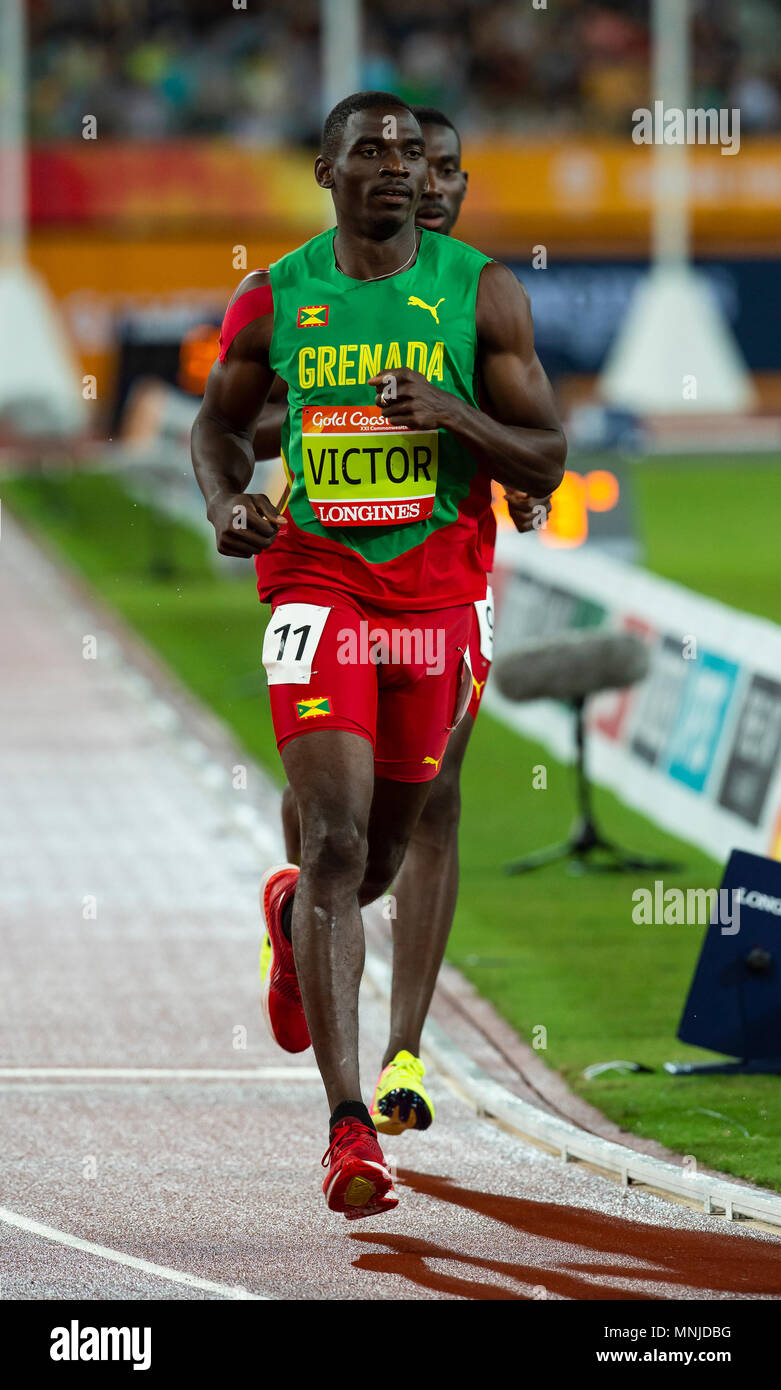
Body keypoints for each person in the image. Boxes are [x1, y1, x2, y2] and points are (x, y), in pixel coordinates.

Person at [191, 91, 566, 1220]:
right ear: (326, 170)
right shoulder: (275, 296)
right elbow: (217, 423)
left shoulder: (481, 291)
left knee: (387, 858)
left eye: (411, 149)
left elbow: (546, 457)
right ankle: (349, 1128)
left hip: (438, 596)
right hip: (317, 582)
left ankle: (292, 909)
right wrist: (229, 502)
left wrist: (451, 414)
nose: (398, 164)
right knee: (342, 839)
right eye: (371, 149)